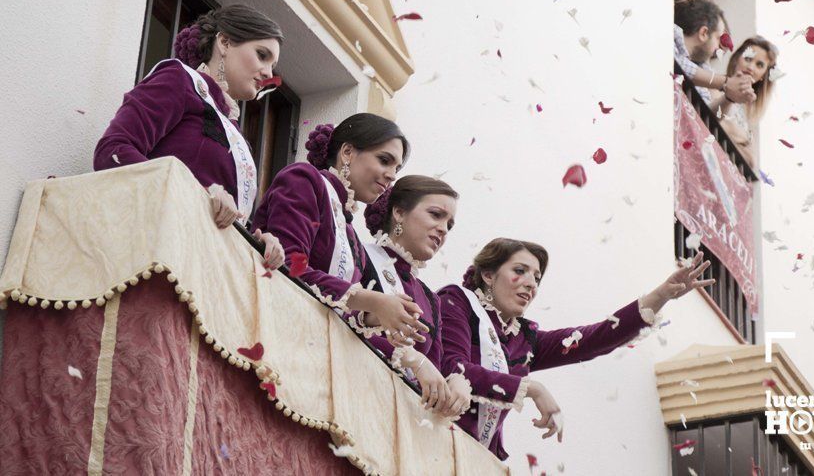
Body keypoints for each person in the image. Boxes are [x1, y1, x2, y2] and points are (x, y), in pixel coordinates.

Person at [439, 239, 713, 460]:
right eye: (520, 271)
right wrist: (532, 388)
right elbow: (454, 367)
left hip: (476, 458)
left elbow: (595, 338)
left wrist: (662, 294)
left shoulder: (524, 339)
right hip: (437, 437)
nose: (531, 283)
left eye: (537, 277)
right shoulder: (457, 302)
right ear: (488, 274)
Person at [94, 4, 284, 268]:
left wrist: (257, 242)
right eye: (262, 55)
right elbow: (112, 151)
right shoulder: (179, 80)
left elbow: (221, 212)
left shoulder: (235, 133)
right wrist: (200, 194)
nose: (268, 74)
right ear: (225, 42)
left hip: (205, 270)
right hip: (155, 257)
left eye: (272, 65)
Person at [252, 115, 428, 340]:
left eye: (397, 168)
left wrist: (373, 317)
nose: (392, 176)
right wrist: (373, 300)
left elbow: (338, 310)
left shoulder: (351, 236)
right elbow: (286, 266)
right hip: (274, 327)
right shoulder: (304, 180)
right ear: (347, 152)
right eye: (384, 160)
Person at [359, 175, 471, 418]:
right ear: (399, 213)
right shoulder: (361, 255)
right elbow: (338, 316)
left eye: (449, 225)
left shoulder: (430, 299)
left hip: (399, 417)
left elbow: (433, 371)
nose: (443, 229)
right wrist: (413, 359)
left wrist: (453, 383)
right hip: (356, 395)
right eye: (435, 215)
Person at [711, 36, 779, 168]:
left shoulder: (751, 113)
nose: (751, 67)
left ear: (764, 75)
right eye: (748, 58)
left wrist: (732, 131)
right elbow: (710, 119)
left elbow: (751, 161)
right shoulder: (715, 84)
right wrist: (744, 140)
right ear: (736, 58)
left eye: (759, 65)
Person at [674, 0, 755, 107]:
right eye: (718, 38)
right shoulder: (669, 34)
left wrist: (729, 98)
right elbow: (676, 63)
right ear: (704, 33)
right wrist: (726, 82)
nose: (718, 48)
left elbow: (705, 113)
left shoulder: (700, 67)